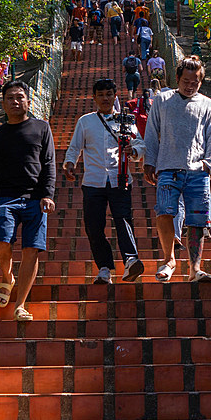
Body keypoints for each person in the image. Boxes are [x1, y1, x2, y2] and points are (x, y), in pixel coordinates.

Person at [143, 56, 211, 283]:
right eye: (186, 80)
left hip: (198, 171)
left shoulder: (207, 104)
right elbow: (151, 131)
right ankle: (169, 259)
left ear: (200, 82)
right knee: (164, 212)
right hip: (168, 167)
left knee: (198, 221)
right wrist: (150, 160)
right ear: (177, 78)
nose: (189, 85)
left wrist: (209, 163)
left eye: (194, 82)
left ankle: (195, 269)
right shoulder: (163, 100)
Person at [64, 78, 146, 284]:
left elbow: (140, 144)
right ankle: (104, 268)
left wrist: (134, 151)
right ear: (94, 98)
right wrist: (70, 163)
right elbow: (75, 147)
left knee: (123, 220)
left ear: (115, 96)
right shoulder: (85, 121)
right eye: (100, 95)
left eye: (109, 94)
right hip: (93, 181)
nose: (105, 98)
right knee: (94, 226)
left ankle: (130, 261)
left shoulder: (126, 120)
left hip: (120, 179)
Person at [0, 81, 56, 321]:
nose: (15, 102)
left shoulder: (41, 127)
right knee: (0, 244)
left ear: (29, 100)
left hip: (36, 199)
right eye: (10, 98)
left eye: (20, 97)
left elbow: (48, 163)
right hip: (6, 197)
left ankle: (20, 305)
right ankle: (8, 277)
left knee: (31, 251)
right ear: (3, 103)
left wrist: (48, 194)